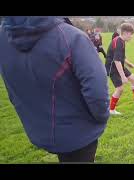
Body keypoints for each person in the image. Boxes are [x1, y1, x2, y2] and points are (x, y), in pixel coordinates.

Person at [0, 16, 110, 162]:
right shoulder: (72, 37)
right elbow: (97, 93)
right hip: (78, 132)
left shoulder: (4, 37)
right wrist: (101, 117)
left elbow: (11, 84)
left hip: (39, 129)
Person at [106, 23, 134, 115]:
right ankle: (111, 110)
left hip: (119, 65)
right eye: (131, 34)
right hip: (112, 68)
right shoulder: (118, 43)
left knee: (133, 78)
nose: (131, 37)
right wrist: (123, 77)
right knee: (120, 88)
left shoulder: (121, 41)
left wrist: (128, 64)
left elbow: (121, 57)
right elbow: (117, 61)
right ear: (125, 33)